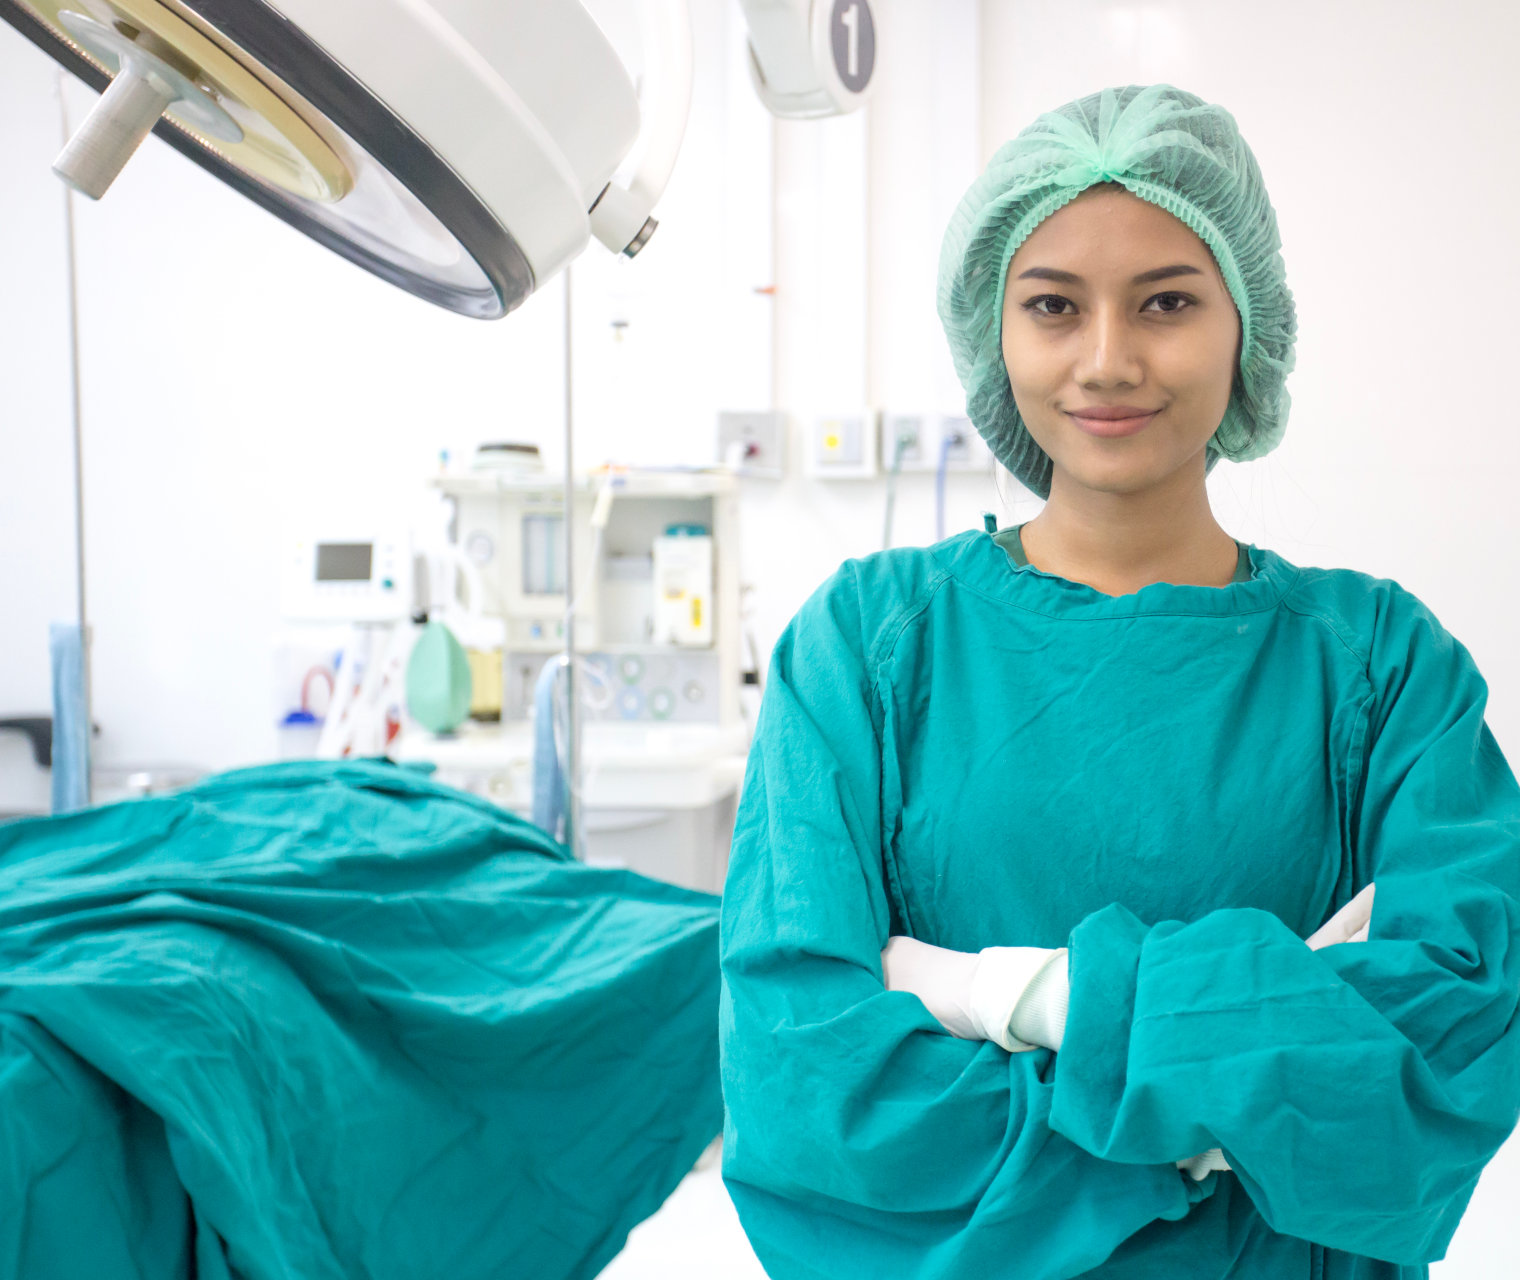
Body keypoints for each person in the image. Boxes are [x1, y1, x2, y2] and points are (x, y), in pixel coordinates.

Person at [718, 83, 1520, 1279]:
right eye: (1052, 306)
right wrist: (1238, 1094)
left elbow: (1453, 1032)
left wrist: (1018, 997)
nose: (1106, 360)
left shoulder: (1378, 666)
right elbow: (805, 1076)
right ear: (994, 329)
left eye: (1165, 302)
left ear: (1243, 319)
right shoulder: (866, 644)